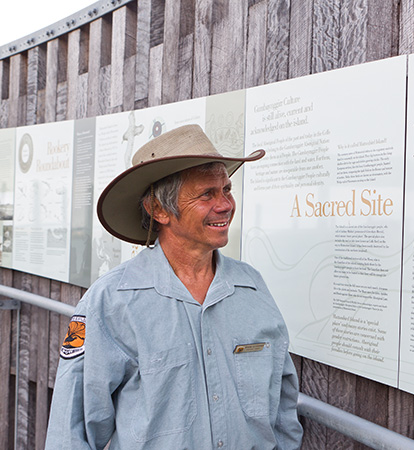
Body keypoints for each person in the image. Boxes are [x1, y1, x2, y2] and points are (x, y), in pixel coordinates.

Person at [45, 124, 303, 449]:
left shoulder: (251, 287)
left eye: (227, 189)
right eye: (206, 194)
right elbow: (72, 430)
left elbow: (282, 407)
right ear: (159, 210)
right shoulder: (112, 301)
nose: (225, 204)